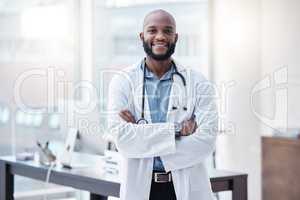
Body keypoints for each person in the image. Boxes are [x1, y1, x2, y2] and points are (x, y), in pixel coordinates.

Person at [107, 9, 218, 200]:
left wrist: (141, 132)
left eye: (167, 31)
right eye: (152, 30)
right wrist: (176, 131)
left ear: (176, 37)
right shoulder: (123, 81)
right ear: (142, 36)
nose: (160, 36)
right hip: (140, 187)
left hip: (187, 187)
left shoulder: (198, 82)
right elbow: (123, 140)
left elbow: (206, 141)